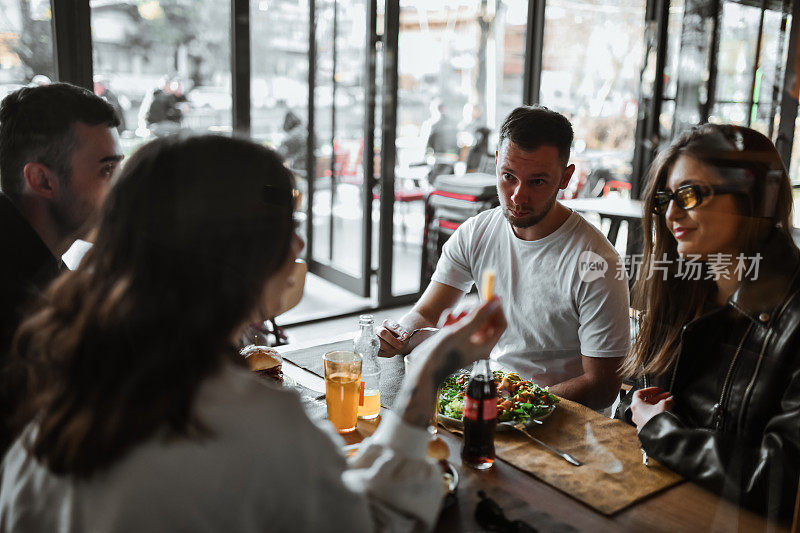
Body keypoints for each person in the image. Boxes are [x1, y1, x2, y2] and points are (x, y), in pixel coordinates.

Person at [0, 135, 507, 531]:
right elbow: (371, 524)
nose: (299, 241)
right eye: (286, 227)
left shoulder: (54, 409)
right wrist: (427, 379)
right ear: (240, 259)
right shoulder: (260, 426)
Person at [378, 106, 630, 410]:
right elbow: (428, 314)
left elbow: (602, 386)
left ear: (565, 178)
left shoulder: (597, 264)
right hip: (490, 394)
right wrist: (399, 334)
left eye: (537, 182)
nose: (517, 196)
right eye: (508, 176)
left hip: (564, 421)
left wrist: (515, 404)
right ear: (496, 163)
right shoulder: (476, 233)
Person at [617, 124, 799, 522]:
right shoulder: (681, 287)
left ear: (754, 198)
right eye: (666, 198)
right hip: (649, 505)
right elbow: (636, 401)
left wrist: (661, 432)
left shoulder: (793, 312)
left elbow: (782, 480)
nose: (670, 214)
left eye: (690, 194)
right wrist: (633, 409)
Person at [0, 83, 123, 453]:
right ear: (41, 180)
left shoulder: (39, 264)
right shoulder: (20, 300)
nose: (120, 189)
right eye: (106, 171)